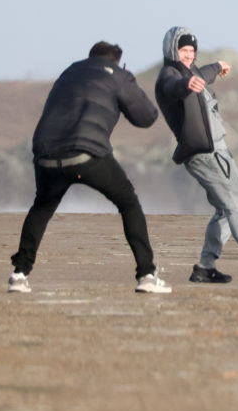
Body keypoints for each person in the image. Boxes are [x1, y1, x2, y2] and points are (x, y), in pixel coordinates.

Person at [10, 41, 168, 294]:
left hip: (46, 154)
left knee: (42, 206)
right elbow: (146, 117)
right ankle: (147, 275)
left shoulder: (69, 72)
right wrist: (127, 88)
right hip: (87, 153)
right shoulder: (117, 75)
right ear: (115, 60)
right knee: (128, 203)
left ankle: (19, 274)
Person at [154, 27, 238, 285]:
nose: (187, 55)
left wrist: (217, 66)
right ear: (172, 50)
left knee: (225, 210)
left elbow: (202, 73)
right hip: (205, 154)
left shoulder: (193, 70)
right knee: (236, 206)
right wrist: (187, 84)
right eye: (183, 50)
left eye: (191, 51)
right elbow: (173, 87)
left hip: (218, 150)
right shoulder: (169, 76)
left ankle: (205, 268)